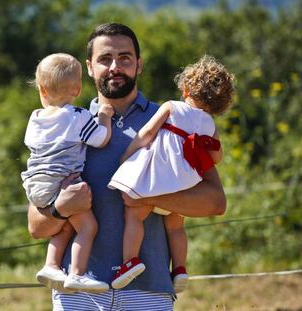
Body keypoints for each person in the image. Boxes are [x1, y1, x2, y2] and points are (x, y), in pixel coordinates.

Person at [27, 23, 227, 311]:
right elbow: (36, 226)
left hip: (148, 293)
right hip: (78, 294)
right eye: (105, 59)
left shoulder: (175, 121)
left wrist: (149, 196)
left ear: (139, 65)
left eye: (124, 58)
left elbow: (215, 202)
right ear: (90, 68)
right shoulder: (67, 125)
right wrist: (62, 207)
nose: (114, 67)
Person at [108, 55, 235, 292]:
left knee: (134, 215)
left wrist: (127, 155)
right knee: (176, 227)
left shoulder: (171, 106)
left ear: (186, 88)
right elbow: (216, 157)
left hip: (157, 177)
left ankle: (130, 262)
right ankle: (179, 269)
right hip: (183, 183)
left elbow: (146, 133)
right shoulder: (210, 124)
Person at [21, 53, 114, 292]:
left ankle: (51, 265)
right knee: (87, 227)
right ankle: (77, 273)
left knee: (66, 224)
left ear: (42, 89)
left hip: (35, 185)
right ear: (77, 88)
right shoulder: (78, 116)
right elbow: (101, 139)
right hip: (64, 183)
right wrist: (103, 116)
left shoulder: (35, 118)